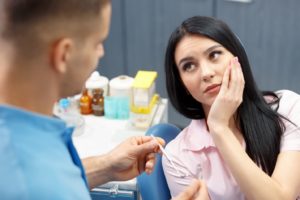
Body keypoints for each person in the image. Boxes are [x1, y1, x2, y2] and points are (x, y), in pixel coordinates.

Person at [0, 0, 206, 199]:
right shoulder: (25, 181)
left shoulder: (28, 135)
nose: (101, 52)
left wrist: (106, 166)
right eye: (97, 43)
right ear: (64, 54)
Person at [163, 16, 300, 200]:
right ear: (182, 84)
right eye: (189, 66)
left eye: (214, 55)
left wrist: (219, 128)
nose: (206, 73)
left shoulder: (288, 107)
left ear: (237, 56)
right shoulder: (178, 157)